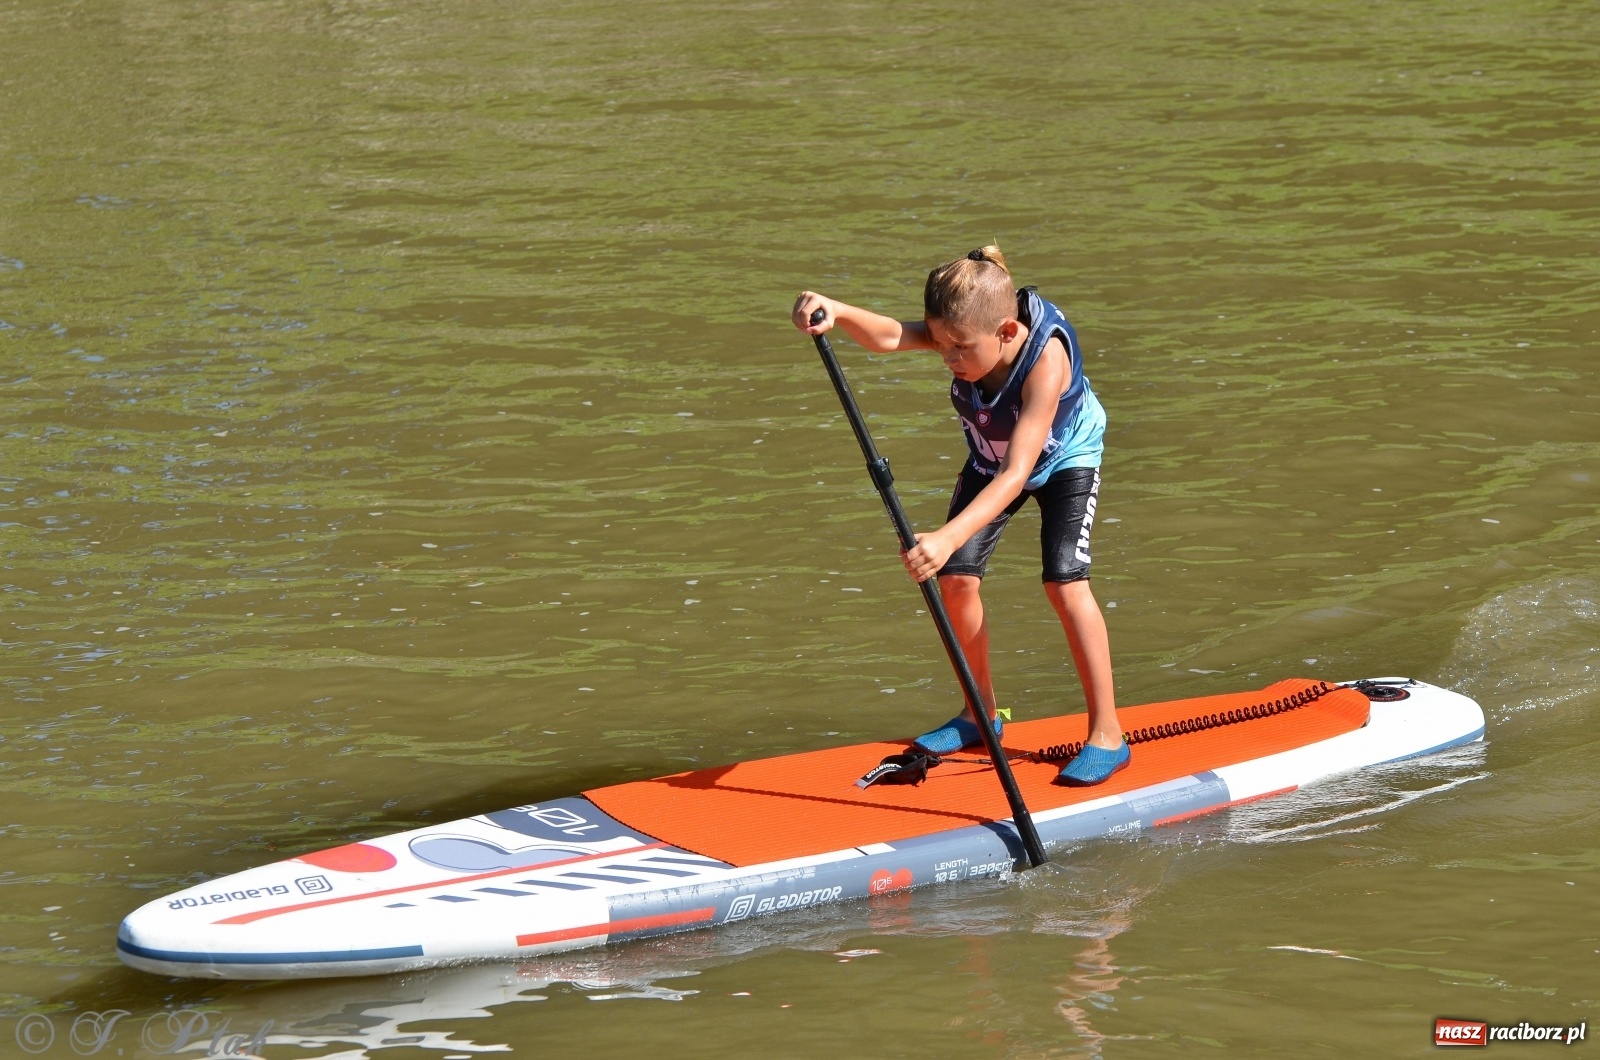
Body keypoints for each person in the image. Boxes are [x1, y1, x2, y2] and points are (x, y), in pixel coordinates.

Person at [790, 246, 1126, 785]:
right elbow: (890, 337)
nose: (948, 359)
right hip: (990, 459)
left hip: (1063, 459)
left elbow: (1019, 473)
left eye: (960, 349)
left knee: (1064, 584)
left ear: (1007, 331)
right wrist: (838, 310)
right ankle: (980, 714)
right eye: (941, 345)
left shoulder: (1046, 363)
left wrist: (946, 536)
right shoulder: (964, 328)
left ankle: (1107, 732)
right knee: (955, 582)